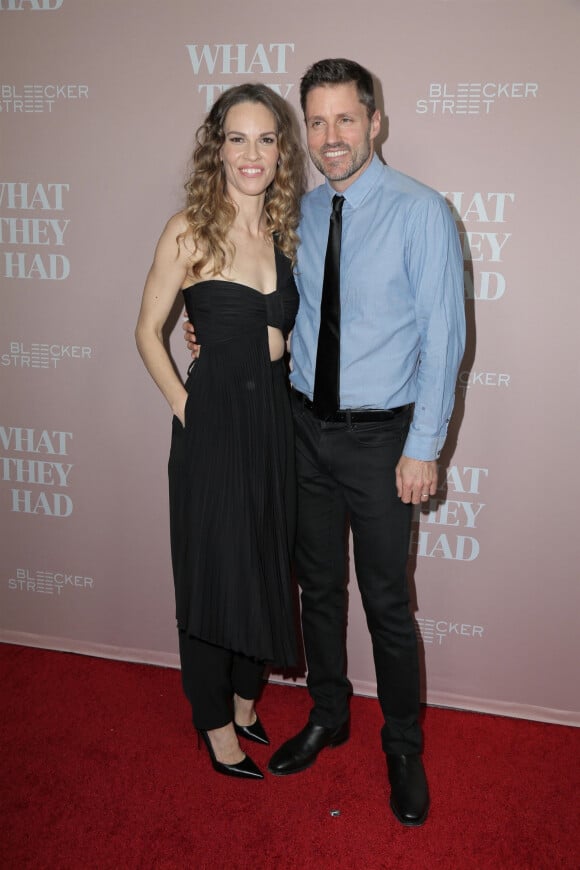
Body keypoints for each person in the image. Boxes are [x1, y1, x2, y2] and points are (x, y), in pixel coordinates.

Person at [185, 58, 465, 824]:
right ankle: (329, 715)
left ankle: (402, 745)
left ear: (376, 122)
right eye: (316, 122)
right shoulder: (297, 214)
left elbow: (445, 339)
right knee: (316, 592)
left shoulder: (421, 212)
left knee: (387, 605)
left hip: (383, 444)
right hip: (301, 430)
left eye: (346, 119)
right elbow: (260, 306)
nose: (331, 137)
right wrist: (206, 330)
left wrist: (425, 446)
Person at [135, 83, 305, 781]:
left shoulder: (286, 230)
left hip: (273, 418)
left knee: (263, 560)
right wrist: (185, 405)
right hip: (212, 425)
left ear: (280, 151)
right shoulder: (188, 228)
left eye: (266, 138)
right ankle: (213, 723)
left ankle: (243, 698)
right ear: (218, 147)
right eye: (238, 137)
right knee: (212, 573)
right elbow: (147, 332)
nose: (252, 153)